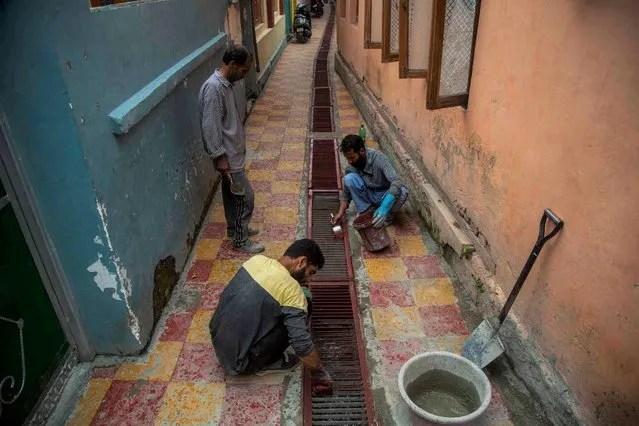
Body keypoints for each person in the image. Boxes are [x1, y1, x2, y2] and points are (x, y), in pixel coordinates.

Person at [209, 239, 333, 395]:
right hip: (240, 363)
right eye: (311, 273)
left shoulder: (257, 260)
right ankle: (267, 363)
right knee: (304, 304)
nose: (308, 279)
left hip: (217, 337)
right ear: (301, 262)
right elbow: (301, 344)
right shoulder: (291, 290)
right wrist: (319, 374)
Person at [199, 45, 264, 253]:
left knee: (230, 194)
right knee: (246, 198)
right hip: (227, 156)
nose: (244, 75)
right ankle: (240, 240)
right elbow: (210, 126)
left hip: (232, 154)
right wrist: (219, 156)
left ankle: (235, 229)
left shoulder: (224, 85)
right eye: (243, 71)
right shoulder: (214, 88)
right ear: (232, 64)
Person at [331, 134, 409, 228]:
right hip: (369, 194)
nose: (349, 162)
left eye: (352, 158)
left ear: (361, 151)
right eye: (347, 158)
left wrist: (385, 206)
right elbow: (346, 194)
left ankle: (387, 216)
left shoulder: (379, 159)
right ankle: (366, 212)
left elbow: (396, 181)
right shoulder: (351, 167)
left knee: (403, 192)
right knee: (349, 179)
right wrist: (340, 213)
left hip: (384, 195)